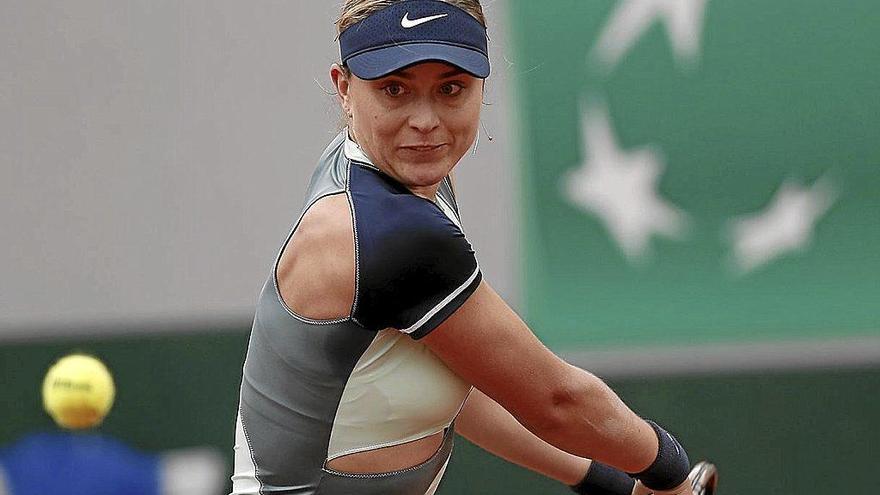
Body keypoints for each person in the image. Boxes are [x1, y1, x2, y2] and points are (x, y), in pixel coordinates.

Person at [229, 1, 718, 494]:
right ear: (345, 89)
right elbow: (557, 401)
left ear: (482, 87)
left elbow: (459, 380)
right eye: (394, 89)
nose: (425, 120)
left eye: (450, 88)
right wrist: (667, 471)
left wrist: (603, 480)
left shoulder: (376, 170)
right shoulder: (389, 230)